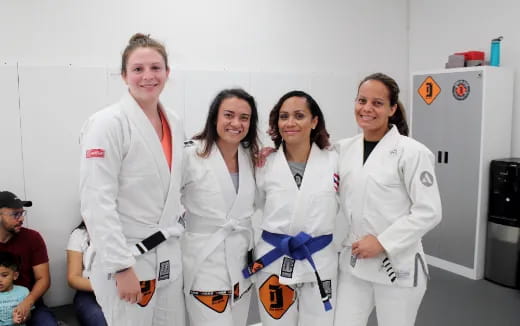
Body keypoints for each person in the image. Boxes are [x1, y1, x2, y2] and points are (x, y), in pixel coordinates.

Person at [79, 33, 186, 326]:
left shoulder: (174, 121)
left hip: (167, 255)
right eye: (138, 69)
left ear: (167, 72)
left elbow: (182, 180)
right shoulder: (107, 123)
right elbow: (96, 201)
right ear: (124, 75)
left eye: (156, 68)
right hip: (128, 257)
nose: (148, 76)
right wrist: (121, 267)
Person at [334, 72, 442, 326]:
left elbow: (429, 212)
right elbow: (306, 156)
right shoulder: (342, 149)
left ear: (392, 108)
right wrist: (270, 154)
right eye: (362, 101)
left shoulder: (412, 152)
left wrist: (383, 242)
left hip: (397, 267)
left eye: (377, 103)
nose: (367, 108)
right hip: (355, 264)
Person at [243, 91, 339, 326]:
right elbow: (250, 204)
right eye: (284, 116)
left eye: (299, 116)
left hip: (319, 258)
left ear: (314, 121)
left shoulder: (335, 161)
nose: (290, 123)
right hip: (274, 259)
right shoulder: (263, 164)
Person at [181, 88, 260, 326]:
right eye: (228, 115)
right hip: (204, 261)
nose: (236, 123)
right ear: (215, 117)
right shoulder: (190, 154)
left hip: (241, 263)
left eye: (244, 117)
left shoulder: (252, 158)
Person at [0, 191, 58, 325]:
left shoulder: (33, 238)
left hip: (31, 302)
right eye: (15, 214)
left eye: (22, 213)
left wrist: (27, 302)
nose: (21, 219)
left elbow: (43, 279)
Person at [66, 221, 107, 326]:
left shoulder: (126, 232)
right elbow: (73, 278)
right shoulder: (79, 235)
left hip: (122, 291)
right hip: (89, 293)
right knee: (98, 319)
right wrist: (105, 287)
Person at [0, 251, 30, 325]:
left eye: (4, 275)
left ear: (15, 275)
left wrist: (22, 318)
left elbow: (29, 315)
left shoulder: (24, 292)